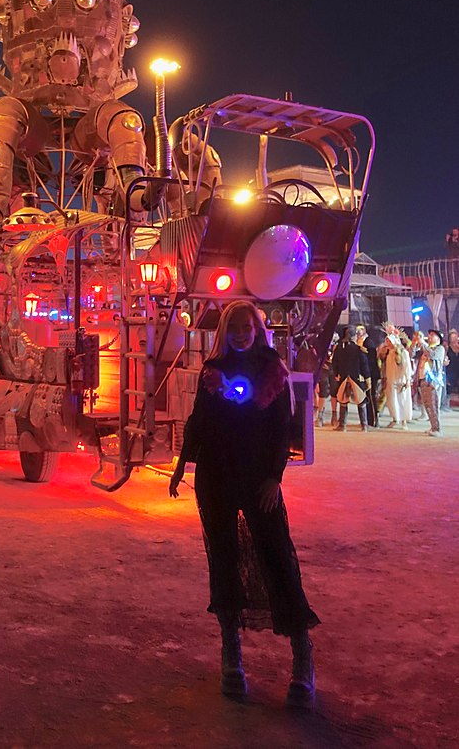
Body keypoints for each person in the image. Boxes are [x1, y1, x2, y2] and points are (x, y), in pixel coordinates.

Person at [169, 300, 319, 707]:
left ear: (256, 328)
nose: (239, 333)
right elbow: (198, 422)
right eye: (232, 327)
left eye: (245, 326)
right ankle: (230, 653)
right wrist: (181, 466)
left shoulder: (274, 372)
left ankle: (302, 658)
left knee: (277, 559)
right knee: (224, 559)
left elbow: (281, 430)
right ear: (224, 332)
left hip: (258, 480)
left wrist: (275, 477)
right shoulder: (212, 373)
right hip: (217, 479)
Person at [331, 326, 371, 431]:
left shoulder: (339, 348)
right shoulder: (358, 349)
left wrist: (336, 374)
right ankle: (364, 426)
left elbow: (334, 362)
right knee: (361, 400)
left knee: (343, 400)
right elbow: (364, 364)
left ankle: (342, 425)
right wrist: (367, 378)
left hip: (343, 376)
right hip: (356, 377)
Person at [417, 330, 445, 436]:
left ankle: (437, 429)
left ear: (438, 338)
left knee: (433, 405)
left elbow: (432, 355)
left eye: (432, 335)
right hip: (423, 379)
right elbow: (412, 354)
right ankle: (433, 427)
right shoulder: (425, 348)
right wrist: (415, 344)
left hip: (433, 381)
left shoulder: (440, 349)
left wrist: (423, 344)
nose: (429, 337)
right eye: (429, 335)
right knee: (427, 405)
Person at [382, 333, 412, 429]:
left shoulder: (403, 352)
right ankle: (395, 418)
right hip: (391, 380)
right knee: (392, 401)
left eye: (389, 341)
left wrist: (407, 379)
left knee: (402, 400)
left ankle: (404, 421)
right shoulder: (389, 353)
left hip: (400, 380)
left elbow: (407, 367)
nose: (388, 343)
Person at [356, 325, 380, 428]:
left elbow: (370, 357)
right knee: (364, 397)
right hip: (363, 373)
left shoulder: (368, 341)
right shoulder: (359, 341)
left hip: (370, 373)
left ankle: (374, 420)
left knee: (371, 396)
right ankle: (367, 420)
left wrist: (360, 348)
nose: (358, 332)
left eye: (360, 329)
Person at [445, 329, 459, 399]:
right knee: (449, 388)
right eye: (452, 337)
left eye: (455, 337)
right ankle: (446, 404)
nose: (454, 338)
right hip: (450, 371)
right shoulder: (447, 348)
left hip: (457, 370)